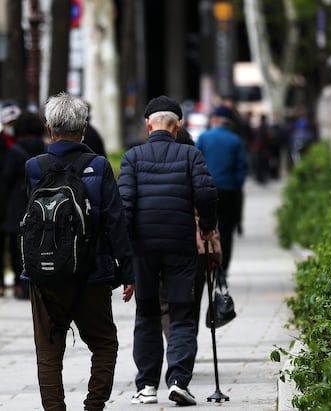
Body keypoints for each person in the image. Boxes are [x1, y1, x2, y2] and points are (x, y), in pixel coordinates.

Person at [22, 92, 135, 411]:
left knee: (48, 351)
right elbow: (115, 221)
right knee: (104, 343)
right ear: (84, 129)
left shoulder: (34, 167)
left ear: (49, 128)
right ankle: (93, 406)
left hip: (44, 275)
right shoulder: (98, 166)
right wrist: (128, 272)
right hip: (92, 273)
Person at [118, 96, 218, 406]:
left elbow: (124, 206)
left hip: (143, 249)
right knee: (182, 314)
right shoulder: (191, 155)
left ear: (148, 125)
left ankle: (147, 386)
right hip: (180, 246)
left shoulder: (132, 158)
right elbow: (206, 195)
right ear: (178, 126)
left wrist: (123, 252)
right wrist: (207, 227)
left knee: (147, 314)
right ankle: (178, 381)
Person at [159, 127, 222, 339]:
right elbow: (208, 211)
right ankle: (185, 348)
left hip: (163, 247)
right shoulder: (197, 170)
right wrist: (216, 253)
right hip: (198, 247)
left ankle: (175, 344)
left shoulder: (154, 171)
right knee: (191, 306)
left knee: (166, 304)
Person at [196, 105, 247, 275]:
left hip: (206, 190)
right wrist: (236, 185)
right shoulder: (235, 140)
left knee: (206, 228)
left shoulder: (204, 138)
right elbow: (241, 168)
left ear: (215, 120)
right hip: (228, 191)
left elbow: (196, 163)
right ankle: (222, 267)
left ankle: (207, 263)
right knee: (226, 230)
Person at [1, 111, 47, 299]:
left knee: (17, 246)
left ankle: (21, 284)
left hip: (18, 205)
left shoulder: (15, 151)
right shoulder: (44, 148)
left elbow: (6, 179)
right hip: (41, 203)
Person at [0, 100, 21, 297]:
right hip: (2, 199)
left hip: (16, 200)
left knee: (16, 244)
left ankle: (17, 281)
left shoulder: (21, 144)